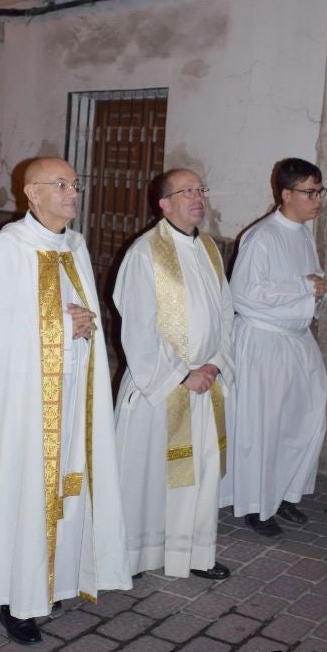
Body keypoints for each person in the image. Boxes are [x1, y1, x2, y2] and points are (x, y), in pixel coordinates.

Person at [0, 156, 131, 645]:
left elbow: (83, 314)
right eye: (60, 184)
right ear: (30, 193)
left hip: (70, 393)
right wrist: (59, 326)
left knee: (63, 487)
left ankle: (56, 575)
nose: (72, 192)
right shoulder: (7, 249)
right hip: (23, 403)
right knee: (25, 490)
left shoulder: (73, 245)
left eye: (75, 183)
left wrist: (84, 327)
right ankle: (18, 597)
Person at [114, 168, 235, 580]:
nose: (198, 197)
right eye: (187, 192)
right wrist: (182, 375)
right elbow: (137, 327)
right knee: (150, 478)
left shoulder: (210, 250)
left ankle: (195, 554)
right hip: (163, 387)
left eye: (201, 189)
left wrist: (216, 363)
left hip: (205, 381)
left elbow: (225, 312)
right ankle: (136, 558)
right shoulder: (145, 253)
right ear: (164, 204)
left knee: (198, 473)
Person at [222, 157, 327, 537]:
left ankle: (283, 494)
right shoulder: (261, 236)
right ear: (287, 194)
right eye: (309, 192)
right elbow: (243, 293)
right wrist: (304, 287)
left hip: (296, 340)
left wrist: (316, 292)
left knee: (304, 420)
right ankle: (255, 505)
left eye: (319, 191)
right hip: (264, 342)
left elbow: (313, 282)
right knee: (262, 426)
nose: (317, 199)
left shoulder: (302, 233)